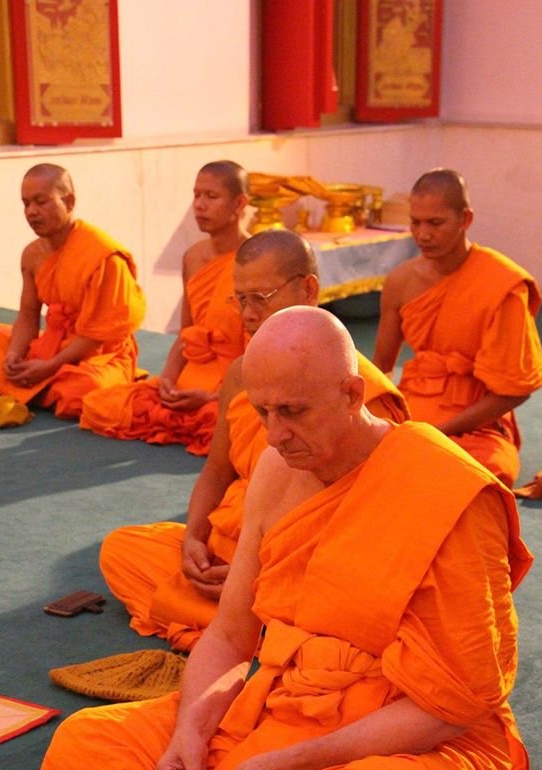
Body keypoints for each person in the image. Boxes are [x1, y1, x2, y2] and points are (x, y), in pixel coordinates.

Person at [36, 306, 533, 770]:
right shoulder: (276, 470)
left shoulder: (448, 490)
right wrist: (190, 731)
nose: (274, 436)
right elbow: (230, 636)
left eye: (293, 412)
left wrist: (292, 766)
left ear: (352, 394)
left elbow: (456, 704)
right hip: (278, 708)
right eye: (263, 412)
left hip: (410, 741)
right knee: (82, 749)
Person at [99, 231, 409, 652]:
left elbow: (369, 534)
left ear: (309, 289)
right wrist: (193, 541)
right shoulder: (240, 375)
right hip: (229, 550)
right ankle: (256, 631)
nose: (248, 313)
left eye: (260, 297)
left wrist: (261, 575)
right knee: (122, 550)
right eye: (240, 299)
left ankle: (242, 628)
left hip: (300, 567)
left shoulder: (356, 389)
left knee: (343, 603)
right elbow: (217, 471)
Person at [373, 168, 542, 487]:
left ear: (465, 219)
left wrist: (442, 432)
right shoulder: (401, 281)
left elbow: (514, 390)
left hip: (478, 417)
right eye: (416, 222)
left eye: (435, 223)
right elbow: (380, 367)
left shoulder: (501, 283)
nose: (423, 234)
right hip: (417, 403)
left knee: (488, 473)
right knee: (372, 459)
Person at [79, 160, 250, 453]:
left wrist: (214, 398)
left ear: (240, 204)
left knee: (236, 422)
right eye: (196, 195)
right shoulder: (192, 257)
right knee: (98, 405)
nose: (199, 205)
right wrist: (168, 379)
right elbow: (186, 333)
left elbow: (259, 354)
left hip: (233, 383)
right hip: (190, 378)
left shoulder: (255, 260)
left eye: (211, 196)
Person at [0, 164, 146, 421]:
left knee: (86, 391)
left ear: (69, 202)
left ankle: (29, 386)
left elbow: (96, 336)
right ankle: (34, 386)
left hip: (98, 354)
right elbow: (28, 315)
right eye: (26, 204)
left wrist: (49, 367)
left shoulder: (103, 256)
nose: (31, 212)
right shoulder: (32, 254)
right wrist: (14, 355)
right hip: (52, 346)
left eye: (41, 202)